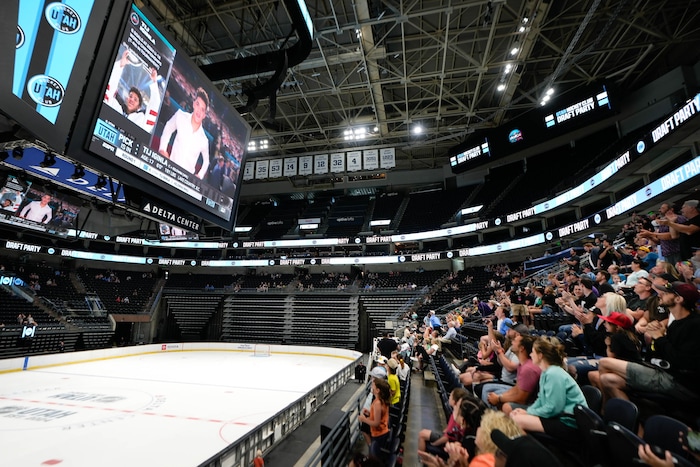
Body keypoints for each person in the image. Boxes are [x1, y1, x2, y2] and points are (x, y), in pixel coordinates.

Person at [598, 281, 700, 402]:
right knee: (608, 379)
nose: (660, 294)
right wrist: (656, 339)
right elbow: (659, 355)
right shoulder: (676, 324)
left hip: (680, 382)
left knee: (605, 363)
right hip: (663, 371)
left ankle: (604, 411)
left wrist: (659, 338)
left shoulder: (694, 325)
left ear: (678, 299)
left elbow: (682, 362)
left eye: (667, 293)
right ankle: (632, 418)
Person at [509, 337, 587, 443]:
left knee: (517, 420)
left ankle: (534, 455)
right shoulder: (546, 373)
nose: (531, 355)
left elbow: (553, 408)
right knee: (515, 415)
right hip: (559, 418)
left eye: (533, 352)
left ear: (540, 355)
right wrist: (526, 411)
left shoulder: (554, 373)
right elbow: (541, 400)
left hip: (569, 423)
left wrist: (528, 413)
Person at [104, 49, 162, 133]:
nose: (131, 99)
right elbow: (110, 87)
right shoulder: (114, 105)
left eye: (135, 99)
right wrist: (121, 64)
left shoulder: (142, 121)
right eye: (131, 96)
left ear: (139, 106)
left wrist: (153, 83)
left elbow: (155, 106)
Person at [158, 87, 211, 179]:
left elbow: (206, 161)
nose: (199, 111)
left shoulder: (204, 140)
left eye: (202, 109)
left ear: (204, 115)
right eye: (198, 105)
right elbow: (168, 128)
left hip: (186, 181)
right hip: (169, 171)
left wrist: (200, 175)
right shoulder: (180, 116)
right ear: (194, 104)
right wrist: (162, 148)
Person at [483, 334, 541, 414]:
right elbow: (517, 388)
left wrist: (499, 398)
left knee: (506, 406)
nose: (512, 342)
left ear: (521, 348)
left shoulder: (528, 368)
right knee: (488, 391)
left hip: (533, 404)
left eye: (515, 341)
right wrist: (500, 396)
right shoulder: (522, 364)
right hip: (526, 399)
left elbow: (522, 399)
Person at [418, 387, 469, 454]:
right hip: (445, 436)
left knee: (422, 434)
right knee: (423, 432)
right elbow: (448, 430)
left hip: (449, 442)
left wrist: (434, 444)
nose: (449, 397)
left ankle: (422, 457)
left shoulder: (456, 417)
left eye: (450, 396)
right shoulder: (455, 412)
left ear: (454, 401)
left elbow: (447, 438)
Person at [358, 377, 391, 461]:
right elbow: (379, 415)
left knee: (375, 458)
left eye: (373, 386)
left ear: (378, 390)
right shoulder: (381, 400)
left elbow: (376, 423)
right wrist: (369, 413)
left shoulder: (377, 403)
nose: (371, 387)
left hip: (378, 434)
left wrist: (364, 419)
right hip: (382, 432)